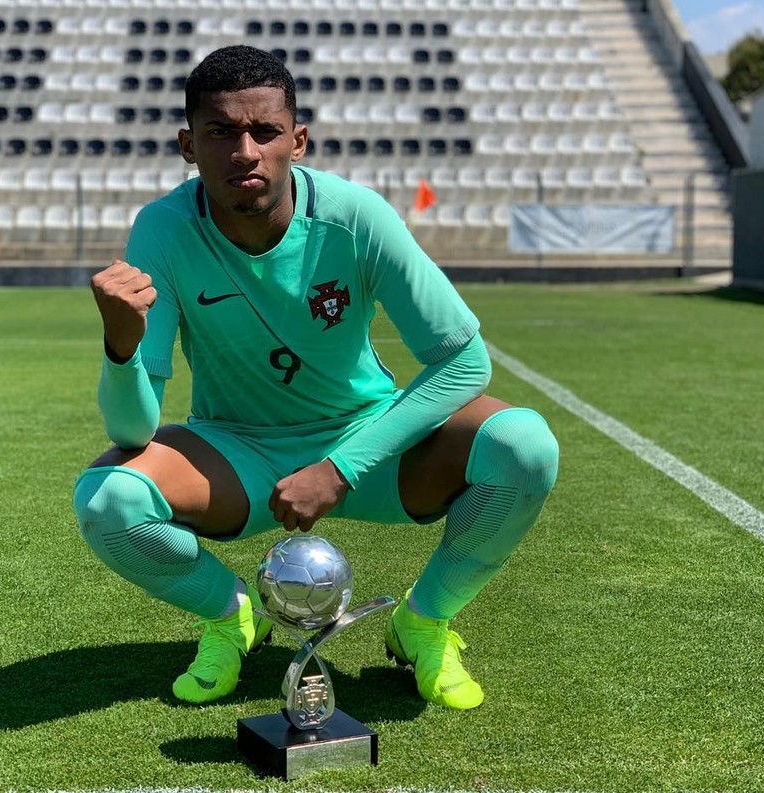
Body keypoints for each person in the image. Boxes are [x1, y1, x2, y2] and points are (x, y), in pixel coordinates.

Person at [73, 45, 559, 711]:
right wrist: (121, 345)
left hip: (368, 441)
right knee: (108, 500)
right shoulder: (163, 228)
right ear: (189, 145)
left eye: (264, 131)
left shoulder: (356, 214)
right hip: (237, 450)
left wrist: (340, 467)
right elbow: (133, 430)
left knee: (523, 445)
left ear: (297, 141)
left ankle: (424, 621)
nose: (245, 151)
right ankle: (232, 615)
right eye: (220, 132)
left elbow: (465, 361)